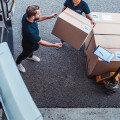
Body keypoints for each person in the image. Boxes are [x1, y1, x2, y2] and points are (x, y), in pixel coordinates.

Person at [16, 5, 62, 73]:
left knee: (31, 51)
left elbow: (37, 19)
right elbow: (41, 42)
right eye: (39, 14)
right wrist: (55, 45)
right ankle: (18, 63)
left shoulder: (27, 15)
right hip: (28, 45)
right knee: (24, 54)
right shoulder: (30, 30)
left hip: (33, 42)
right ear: (33, 16)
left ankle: (30, 56)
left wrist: (49, 17)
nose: (40, 15)